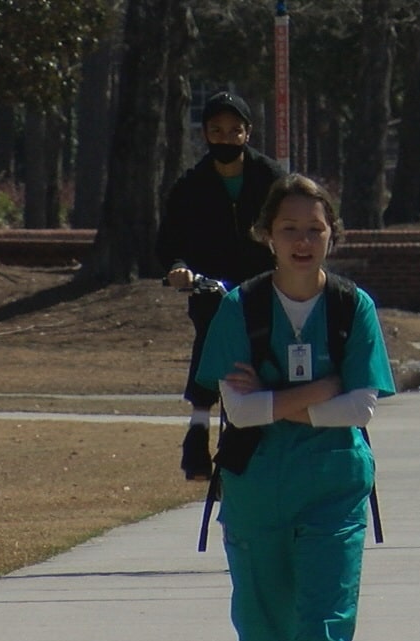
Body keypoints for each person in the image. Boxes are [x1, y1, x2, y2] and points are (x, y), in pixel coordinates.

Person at [194, 174, 396, 641]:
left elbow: (361, 409)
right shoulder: (241, 307)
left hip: (335, 488)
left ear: (333, 235)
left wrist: (276, 399)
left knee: (325, 631)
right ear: (267, 235)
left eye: (314, 229)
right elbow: (239, 411)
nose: (302, 241)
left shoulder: (354, 309)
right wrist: (320, 392)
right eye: (289, 229)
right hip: (257, 490)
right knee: (264, 637)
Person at [158, 90, 286, 481]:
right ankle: (197, 431)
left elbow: (291, 225)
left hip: (264, 288)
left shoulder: (272, 180)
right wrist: (179, 269)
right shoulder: (191, 185)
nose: (226, 139)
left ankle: (255, 431)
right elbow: (169, 244)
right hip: (212, 289)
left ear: (247, 133)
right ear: (205, 134)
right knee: (210, 343)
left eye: (235, 131)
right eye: (217, 130)